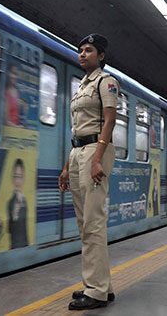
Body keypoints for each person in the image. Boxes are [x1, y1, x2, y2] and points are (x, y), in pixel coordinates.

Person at [58, 33, 118, 310]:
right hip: (78, 152)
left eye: (89, 50)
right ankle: (99, 285)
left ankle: (96, 291)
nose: (82, 54)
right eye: (80, 50)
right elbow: (77, 130)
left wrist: (97, 159)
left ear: (101, 55)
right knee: (85, 225)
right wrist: (68, 165)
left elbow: (109, 121)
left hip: (96, 151)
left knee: (93, 222)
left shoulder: (106, 82)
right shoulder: (82, 85)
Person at [7, 158, 28, 249]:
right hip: (15, 246)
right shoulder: (10, 203)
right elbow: (9, 229)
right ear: (12, 179)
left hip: (25, 245)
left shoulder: (25, 201)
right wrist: (14, 215)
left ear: (23, 178)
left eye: (20, 177)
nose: (18, 181)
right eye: (16, 177)